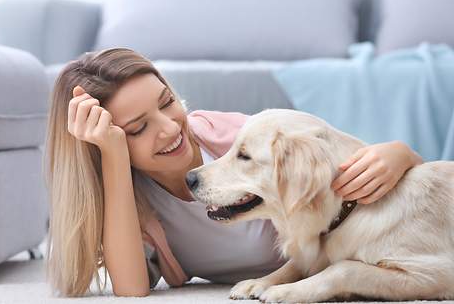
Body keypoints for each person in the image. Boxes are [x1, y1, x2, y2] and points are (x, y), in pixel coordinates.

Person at [42, 48, 424, 297]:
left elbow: (338, 160)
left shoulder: (238, 136)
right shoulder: (132, 203)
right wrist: (111, 156)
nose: (171, 128)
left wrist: (400, 154)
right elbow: (130, 290)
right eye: (137, 129)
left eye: (167, 102)